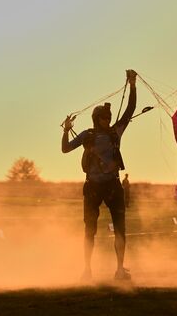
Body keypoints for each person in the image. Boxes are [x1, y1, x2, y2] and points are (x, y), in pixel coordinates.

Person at [61, 70, 137, 281]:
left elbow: (130, 110)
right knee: (89, 231)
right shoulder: (87, 135)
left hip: (113, 186)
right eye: (104, 118)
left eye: (109, 117)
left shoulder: (115, 133)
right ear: (97, 119)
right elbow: (65, 148)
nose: (108, 120)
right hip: (93, 187)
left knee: (120, 229)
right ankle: (87, 270)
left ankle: (120, 270)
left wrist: (132, 85)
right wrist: (66, 130)